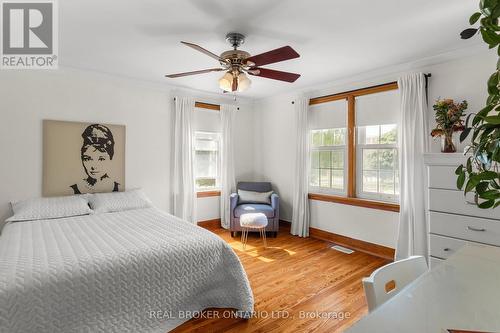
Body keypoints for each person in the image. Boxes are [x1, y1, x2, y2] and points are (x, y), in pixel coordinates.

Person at [70, 124, 120, 194]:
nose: (94, 166)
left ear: (111, 158)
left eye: (101, 159)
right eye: (87, 159)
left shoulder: (119, 188)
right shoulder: (72, 190)